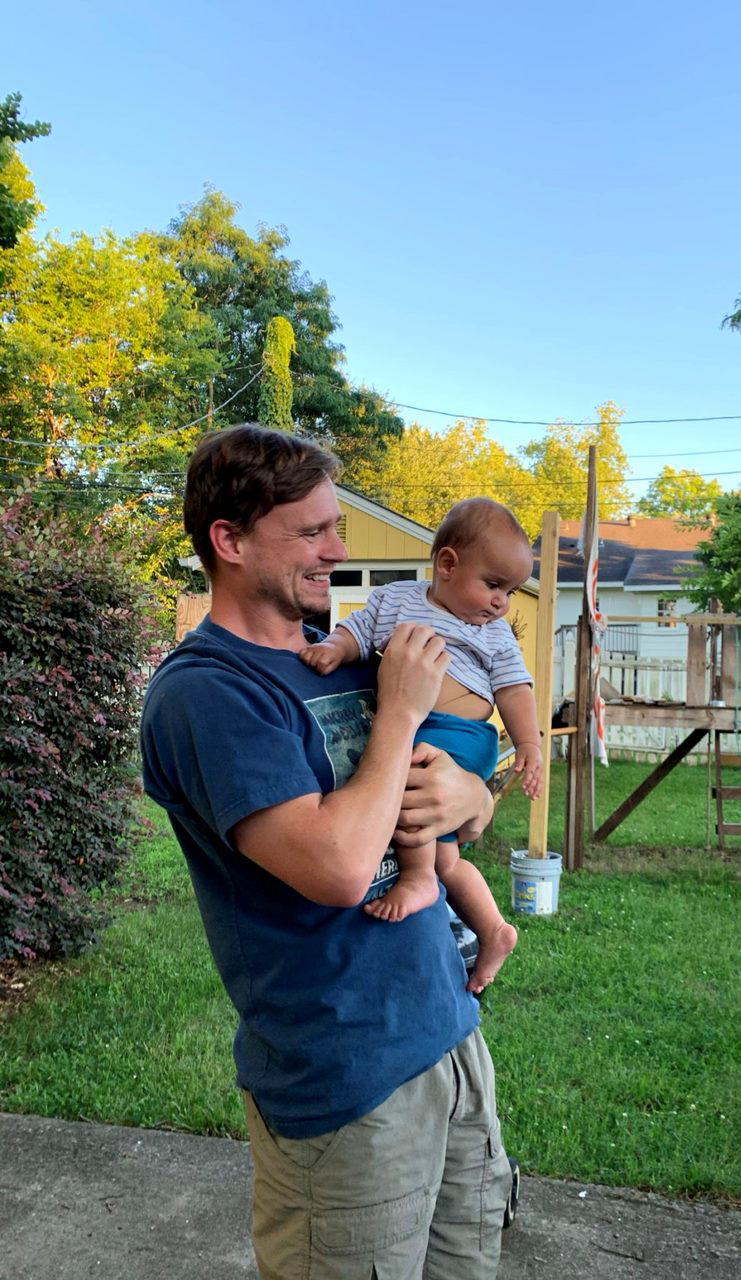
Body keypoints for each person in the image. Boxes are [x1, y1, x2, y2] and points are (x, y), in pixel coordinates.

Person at [140, 423, 513, 1280]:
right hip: (344, 1080)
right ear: (227, 541)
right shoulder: (206, 693)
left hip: (449, 1039)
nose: (338, 552)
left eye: (335, 526)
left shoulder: (341, 659)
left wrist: (472, 797)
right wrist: (399, 714)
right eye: (311, 532)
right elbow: (342, 867)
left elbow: (442, 789)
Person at [301, 496, 542, 993]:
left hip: (457, 734)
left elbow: (515, 689)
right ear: (448, 565)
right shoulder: (396, 600)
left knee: (408, 791)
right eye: (494, 585)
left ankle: (416, 879)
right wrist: (333, 648)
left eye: (511, 591)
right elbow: (359, 631)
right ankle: (493, 928)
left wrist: (529, 744)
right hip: (416, 724)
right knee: (449, 856)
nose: (502, 603)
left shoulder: (494, 634)